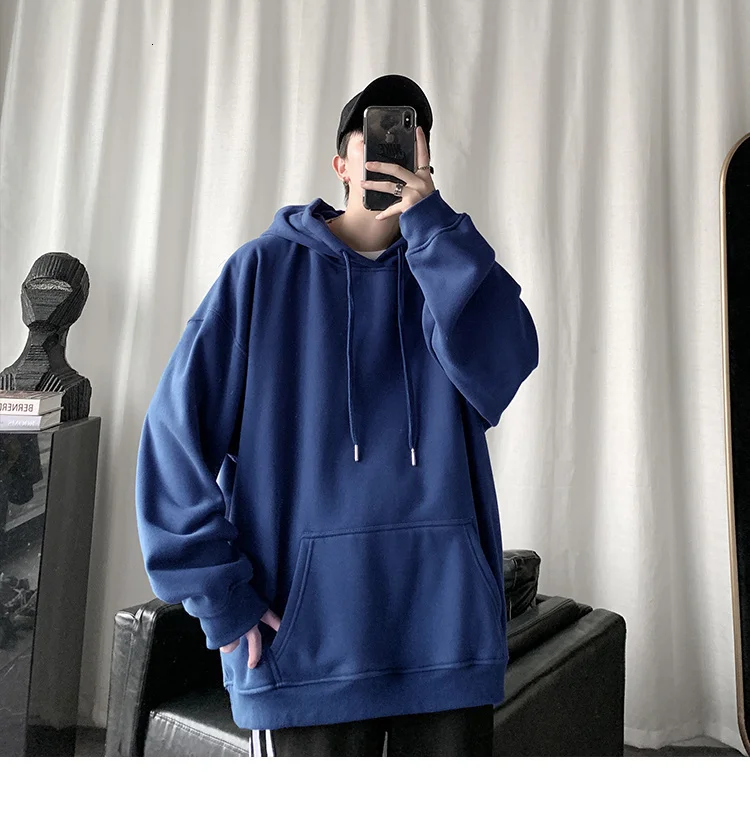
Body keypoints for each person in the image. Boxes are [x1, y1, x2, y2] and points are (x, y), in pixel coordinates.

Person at [135, 74, 539, 757]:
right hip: (303, 648)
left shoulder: (448, 269)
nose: (392, 151)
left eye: (409, 139)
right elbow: (172, 437)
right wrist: (219, 596)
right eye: (373, 137)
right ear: (341, 164)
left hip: (446, 643)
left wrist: (436, 231)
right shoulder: (262, 272)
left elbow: (505, 367)